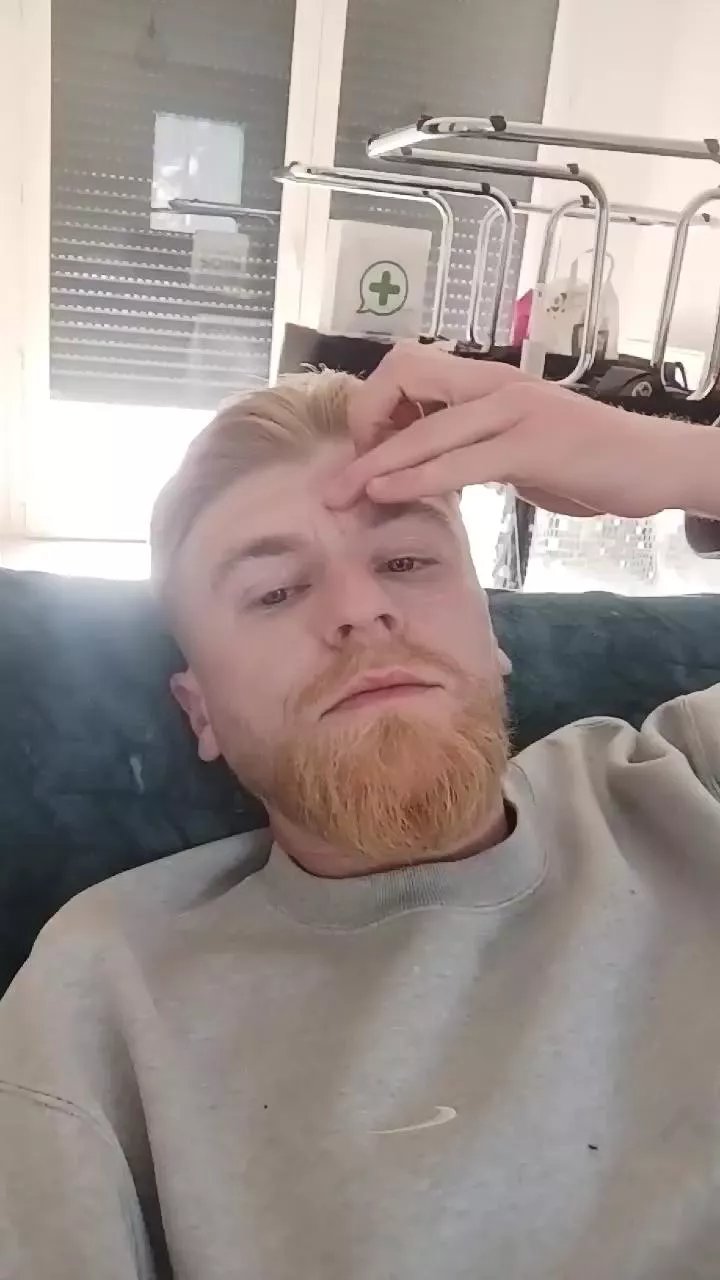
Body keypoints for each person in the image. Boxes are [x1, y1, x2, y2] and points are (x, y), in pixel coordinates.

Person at [2, 342, 720, 1280]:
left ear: (494, 639)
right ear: (200, 711)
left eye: (407, 558)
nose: (360, 608)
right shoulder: (103, 990)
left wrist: (675, 462)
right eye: (274, 591)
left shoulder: (688, 775)